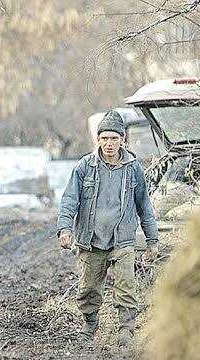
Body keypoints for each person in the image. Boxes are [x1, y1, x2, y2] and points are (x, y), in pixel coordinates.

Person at [57, 110, 159, 346]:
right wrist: (65, 229)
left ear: (123, 139)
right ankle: (90, 324)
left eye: (114, 138)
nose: (109, 144)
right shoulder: (85, 166)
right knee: (89, 289)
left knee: (126, 288)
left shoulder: (133, 168)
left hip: (122, 239)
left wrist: (152, 240)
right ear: (98, 140)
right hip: (92, 240)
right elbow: (70, 199)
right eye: (105, 139)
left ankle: (126, 330)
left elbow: (144, 204)